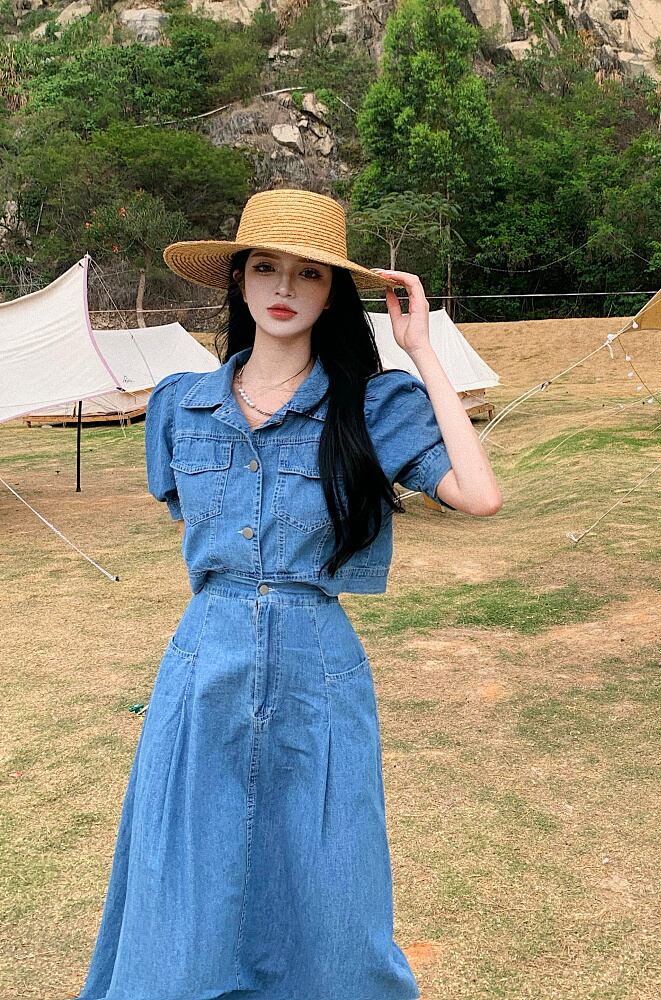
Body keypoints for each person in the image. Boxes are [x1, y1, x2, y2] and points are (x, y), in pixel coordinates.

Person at [75, 188, 502, 1000]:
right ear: (238, 281)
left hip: (319, 665)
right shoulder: (179, 406)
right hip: (205, 661)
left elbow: (479, 496)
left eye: (309, 273)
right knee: (188, 869)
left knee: (329, 875)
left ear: (332, 294)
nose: (283, 286)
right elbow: (194, 527)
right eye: (265, 267)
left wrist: (422, 350)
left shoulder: (372, 406)